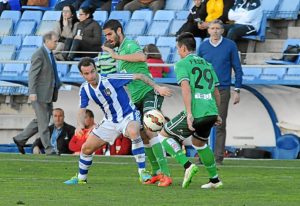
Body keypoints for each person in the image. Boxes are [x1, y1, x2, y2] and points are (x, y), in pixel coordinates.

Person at [64, 57, 172, 186]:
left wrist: (157, 88)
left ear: (96, 69)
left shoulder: (110, 79)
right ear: (82, 75)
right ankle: (81, 178)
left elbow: (139, 76)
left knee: (133, 131)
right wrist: (79, 125)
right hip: (109, 121)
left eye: (93, 71)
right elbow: (82, 109)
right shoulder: (84, 89)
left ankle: (143, 172)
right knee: (86, 148)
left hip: (128, 116)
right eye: (87, 73)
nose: (91, 75)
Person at [102, 19, 172, 187]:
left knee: (150, 128)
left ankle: (166, 174)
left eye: (110, 34)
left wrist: (115, 55)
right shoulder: (119, 54)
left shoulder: (130, 45)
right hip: (136, 99)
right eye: (106, 36)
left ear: (119, 31)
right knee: (142, 134)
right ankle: (157, 172)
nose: (108, 38)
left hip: (149, 92)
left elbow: (142, 56)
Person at [155, 32, 223, 189]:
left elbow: (186, 88)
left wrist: (189, 114)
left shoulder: (182, 64)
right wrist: (217, 113)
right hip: (211, 111)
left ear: (183, 48)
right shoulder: (207, 64)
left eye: (178, 49)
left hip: (197, 111)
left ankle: (187, 166)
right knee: (199, 143)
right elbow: (216, 91)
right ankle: (215, 180)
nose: (178, 52)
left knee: (163, 135)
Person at [199, 20, 243, 165]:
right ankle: (202, 156)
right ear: (208, 30)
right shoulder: (203, 46)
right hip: (205, 91)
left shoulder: (230, 45)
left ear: (223, 31)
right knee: (202, 124)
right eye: (213, 28)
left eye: (218, 28)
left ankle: (218, 158)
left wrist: (237, 89)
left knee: (220, 124)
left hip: (223, 89)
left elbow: (237, 68)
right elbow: (197, 69)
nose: (215, 31)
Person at [12, 31, 61, 155]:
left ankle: (20, 139)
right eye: (55, 41)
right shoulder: (39, 54)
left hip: (48, 94)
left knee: (39, 121)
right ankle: (49, 150)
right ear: (47, 41)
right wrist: (32, 92)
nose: (57, 43)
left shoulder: (49, 54)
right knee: (44, 124)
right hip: (40, 94)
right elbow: (32, 75)